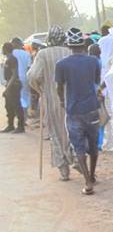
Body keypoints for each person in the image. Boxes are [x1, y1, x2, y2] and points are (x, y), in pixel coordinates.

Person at [55, 32, 103, 194]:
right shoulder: (93, 61)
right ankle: (93, 174)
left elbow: (59, 87)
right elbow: (96, 81)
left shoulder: (61, 64)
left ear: (69, 46)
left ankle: (88, 181)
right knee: (94, 145)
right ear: (83, 45)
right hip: (91, 108)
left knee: (79, 147)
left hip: (73, 109)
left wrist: (62, 101)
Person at [27, 26, 74, 180]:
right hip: (72, 99)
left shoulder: (43, 54)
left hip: (51, 99)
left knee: (55, 133)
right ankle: (77, 159)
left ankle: (64, 169)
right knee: (72, 132)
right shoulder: (69, 51)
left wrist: (40, 89)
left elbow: (33, 76)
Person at [2, 42, 26, 133]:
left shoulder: (12, 59)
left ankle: (20, 126)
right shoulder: (8, 59)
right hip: (9, 84)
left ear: (6, 49)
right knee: (8, 106)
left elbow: (14, 75)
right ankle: (10, 125)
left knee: (17, 106)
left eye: (3, 49)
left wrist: (7, 88)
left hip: (14, 85)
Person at [10, 38, 31, 129]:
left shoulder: (10, 54)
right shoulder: (26, 54)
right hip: (25, 78)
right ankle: (24, 119)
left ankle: (17, 121)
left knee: (15, 99)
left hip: (13, 79)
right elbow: (29, 68)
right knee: (25, 98)